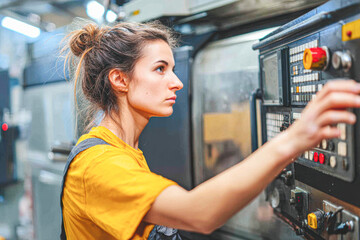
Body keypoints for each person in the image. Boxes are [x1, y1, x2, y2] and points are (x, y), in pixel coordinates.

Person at [60, 21, 360, 240]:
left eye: (173, 69)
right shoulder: (97, 165)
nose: (176, 82)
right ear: (120, 80)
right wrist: (294, 138)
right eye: (160, 69)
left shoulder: (124, 151)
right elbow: (198, 214)